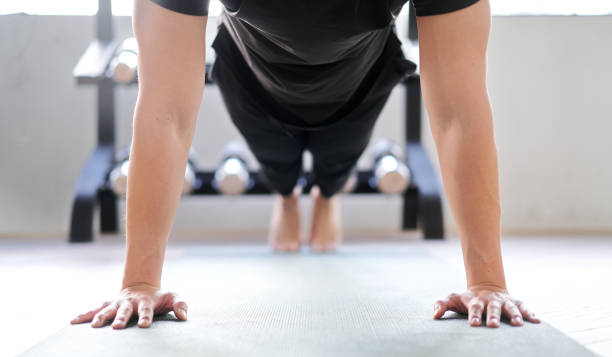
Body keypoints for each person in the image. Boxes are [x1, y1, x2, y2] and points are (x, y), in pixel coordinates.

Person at [71, 0, 541, 330]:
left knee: (338, 163)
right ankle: (287, 192)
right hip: (251, 76)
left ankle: (326, 194)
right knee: (276, 161)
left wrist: (486, 282)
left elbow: (459, 114)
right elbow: (166, 113)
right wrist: (139, 282)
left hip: (359, 82)